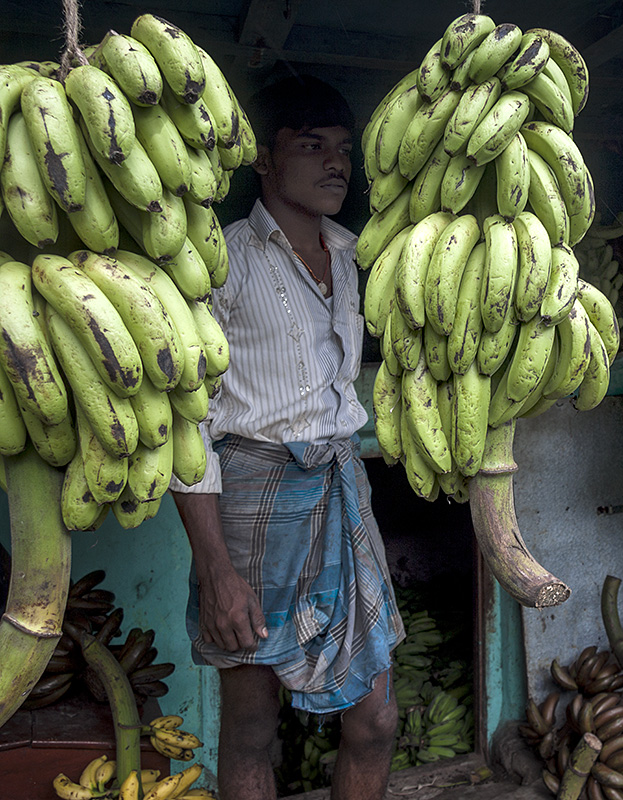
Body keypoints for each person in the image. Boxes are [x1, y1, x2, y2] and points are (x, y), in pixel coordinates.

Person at [170, 74, 404, 800]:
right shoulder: (221, 260)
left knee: (377, 723)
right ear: (264, 161)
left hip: (341, 486)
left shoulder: (355, 255)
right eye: (311, 146)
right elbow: (189, 425)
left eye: (341, 150)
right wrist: (215, 571)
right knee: (251, 729)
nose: (335, 163)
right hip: (250, 494)